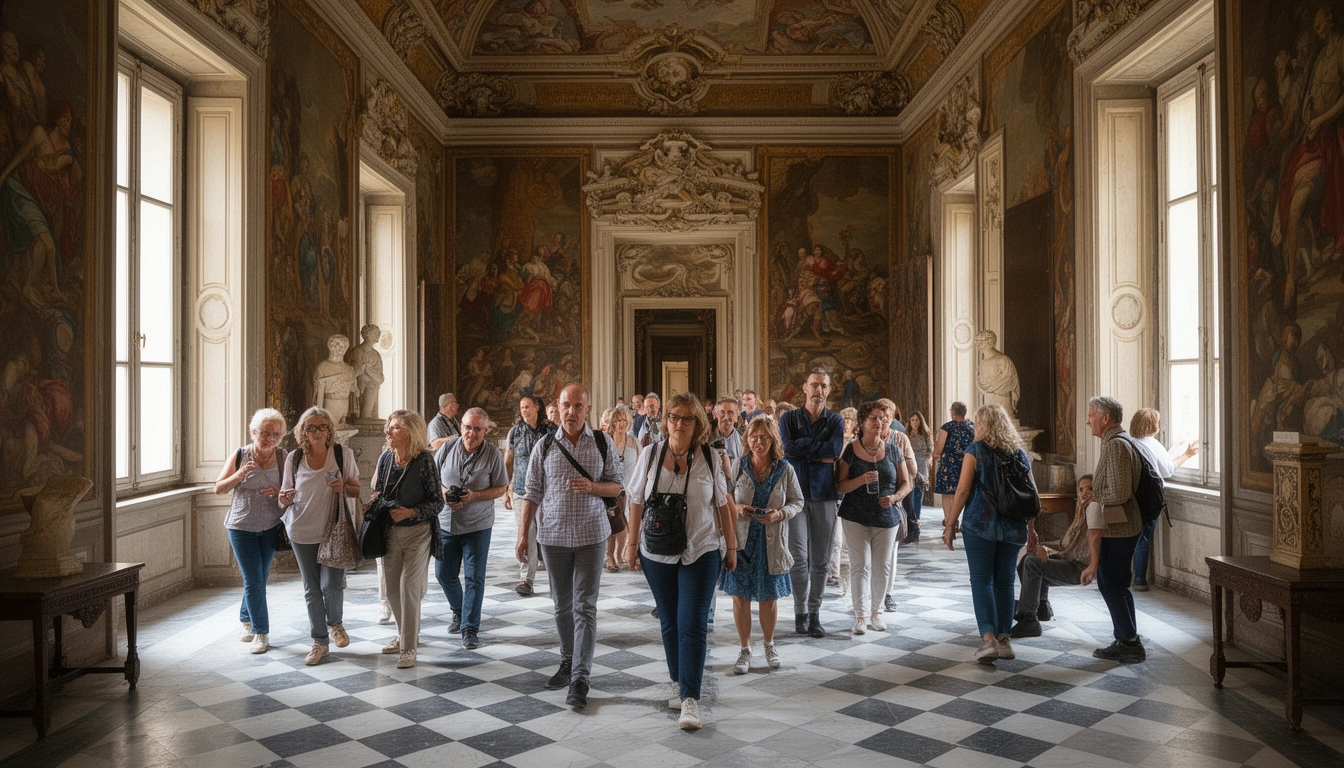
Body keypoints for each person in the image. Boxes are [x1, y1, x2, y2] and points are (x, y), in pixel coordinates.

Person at [624, 392, 736, 731]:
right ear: (665, 420)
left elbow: (722, 505)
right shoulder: (650, 454)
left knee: (692, 623)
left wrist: (731, 548)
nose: (679, 423)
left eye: (687, 418)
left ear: (698, 423)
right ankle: (678, 679)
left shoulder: (712, 457)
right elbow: (636, 501)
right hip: (657, 551)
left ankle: (690, 698)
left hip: (701, 549)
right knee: (670, 621)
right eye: (674, 416)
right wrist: (630, 543)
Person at [517, 384, 623, 709]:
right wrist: (523, 535)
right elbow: (532, 491)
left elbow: (617, 486)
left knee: (585, 607)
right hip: (553, 536)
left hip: (592, 535)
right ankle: (566, 661)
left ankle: (580, 677)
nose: (571, 412)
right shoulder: (545, 445)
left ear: (588, 409)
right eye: (566, 405)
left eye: (578, 406)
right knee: (562, 604)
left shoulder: (602, 443)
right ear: (557, 406)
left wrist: (592, 486)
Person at [943, 404, 1031, 664]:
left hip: (981, 526)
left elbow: (962, 491)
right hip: (1014, 527)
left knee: (981, 580)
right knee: (1005, 581)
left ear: (985, 426)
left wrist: (950, 524)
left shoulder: (975, 451)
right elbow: (1031, 494)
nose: (974, 428)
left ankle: (988, 639)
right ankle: (1005, 640)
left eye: (977, 423)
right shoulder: (1019, 454)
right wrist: (1033, 528)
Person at [279, 407, 361, 666]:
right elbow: (284, 497)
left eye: (322, 427)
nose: (316, 432)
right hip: (301, 529)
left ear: (329, 430)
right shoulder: (294, 458)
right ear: (303, 431)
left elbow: (356, 490)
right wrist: (283, 498)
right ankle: (319, 641)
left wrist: (343, 486)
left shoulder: (342, 454)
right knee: (311, 588)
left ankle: (335, 622)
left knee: (332, 584)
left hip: (333, 529)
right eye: (310, 427)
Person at [721, 416, 803, 675]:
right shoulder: (739, 465)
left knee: (769, 597)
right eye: (754, 437)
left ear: (772, 440)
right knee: (740, 597)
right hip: (743, 540)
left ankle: (769, 644)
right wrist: (738, 508)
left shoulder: (784, 468)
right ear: (747, 440)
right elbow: (727, 495)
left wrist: (779, 514)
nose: (758, 442)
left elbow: (797, 501)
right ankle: (745, 649)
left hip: (771, 541)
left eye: (764, 437)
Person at [371, 410, 442, 668]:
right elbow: (378, 490)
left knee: (408, 588)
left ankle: (409, 649)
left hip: (418, 533)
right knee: (391, 590)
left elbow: (437, 502)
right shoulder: (385, 459)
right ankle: (403, 636)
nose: (388, 432)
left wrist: (411, 511)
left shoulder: (424, 462)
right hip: (390, 532)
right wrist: (375, 501)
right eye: (389, 427)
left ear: (411, 432)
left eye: (395, 428)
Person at [214, 408, 288, 654]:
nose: (270, 439)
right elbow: (218, 488)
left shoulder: (283, 457)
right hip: (241, 526)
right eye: (265, 433)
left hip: (270, 526)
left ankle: (245, 618)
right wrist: (239, 475)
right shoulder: (240, 454)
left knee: (258, 578)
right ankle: (261, 632)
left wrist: (277, 491)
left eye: (276, 435)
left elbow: (293, 491)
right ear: (253, 432)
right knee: (254, 580)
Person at [778, 369, 845, 638]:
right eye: (814, 385)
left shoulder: (835, 421)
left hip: (825, 495)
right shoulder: (790, 419)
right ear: (805, 388)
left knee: (821, 560)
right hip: (795, 497)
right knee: (798, 559)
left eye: (824, 386)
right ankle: (800, 612)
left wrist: (804, 448)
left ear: (829, 390)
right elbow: (787, 450)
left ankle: (815, 613)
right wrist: (816, 451)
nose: (819, 390)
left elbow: (834, 451)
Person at [436, 407, 509, 650]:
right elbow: (433, 479)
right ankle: (459, 609)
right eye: (468, 427)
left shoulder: (492, 454)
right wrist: (446, 493)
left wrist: (474, 496)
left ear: (485, 431)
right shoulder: (446, 449)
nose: (471, 433)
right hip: (446, 522)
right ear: (461, 427)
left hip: (477, 524)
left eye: (477, 429)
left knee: (474, 578)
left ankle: (469, 628)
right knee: (443, 574)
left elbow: (501, 488)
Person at [836, 402, 911, 634]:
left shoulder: (893, 449)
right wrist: (861, 480)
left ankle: (876, 613)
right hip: (855, 515)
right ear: (862, 423)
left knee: (883, 566)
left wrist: (895, 497)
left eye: (882, 417)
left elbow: (907, 483)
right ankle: (859, 616)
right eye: (873, 418)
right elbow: (840, 485)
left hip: (886, 516)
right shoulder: (850, 449)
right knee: (860, 565)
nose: (879, 422)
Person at [1085, 396, 1147, 663]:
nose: (1088, 420)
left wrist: (1096, 499)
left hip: (1120, 528)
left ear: (1105, 418)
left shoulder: (1115, 446)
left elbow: (1121, 492)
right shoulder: (1116, 443)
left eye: (1091, 415)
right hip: (1120, 526)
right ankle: (1127, 637)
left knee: (1110, 582)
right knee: (1118, 583)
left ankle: (1129, 642)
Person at [1010, 475, 1103, 637]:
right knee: (1028, 557)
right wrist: (1041, 546)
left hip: (1079, 568)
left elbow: (1093, 541)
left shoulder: (1095, 509)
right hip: (1070, 560)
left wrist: (1092, 567)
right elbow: (1064, 545)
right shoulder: (1081, 511)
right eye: (1081, 489)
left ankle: (1028, 619)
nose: (1085, 493)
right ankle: (1041, 606)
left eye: (1090, 489)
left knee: (1032, 563)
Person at [1127, 408, 1199, 591]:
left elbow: (1157, 462)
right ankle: (1140, 580)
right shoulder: (1152, 443)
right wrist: (1188, 455)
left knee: (1126, 537)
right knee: (1143, 539)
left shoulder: (1128, 442)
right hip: (1149, 500)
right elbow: (1167, 469)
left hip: (1130, 498)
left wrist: (1175, 446)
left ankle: (1123, 576)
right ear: (1153, 425)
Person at [505, 395, 550, 595]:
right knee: (526, 535)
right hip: (522, 492)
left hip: (547, 492)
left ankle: (558, 578)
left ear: (537, 408)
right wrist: (506, 489)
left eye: (527, 407)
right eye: (522, 407)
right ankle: (526, 579)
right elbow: (508, 461)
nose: (524, 411)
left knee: (549, 534)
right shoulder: (515, 433)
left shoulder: (550, 430)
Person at [605, 405, 640, 573]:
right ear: (612, 422)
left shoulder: (633, 442)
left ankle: (620, 554)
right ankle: (610, 556)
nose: (621, 424)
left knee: (627, 525)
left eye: (624, 421)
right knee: (612, 525)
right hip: (611, 490)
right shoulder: (607, 440)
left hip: (630, 491)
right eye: (618, 420)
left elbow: (641, 466)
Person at [933, 402, 975, 532]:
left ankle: (950, 522)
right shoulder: (971, 427)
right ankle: (959, 520)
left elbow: (938, 449)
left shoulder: (947, 427)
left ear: (952, 412)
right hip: (967, 465)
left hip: (949, 465)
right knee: (964, 492)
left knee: (948, 494)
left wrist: (936, 455)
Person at [902, 411, 934, 544]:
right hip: (909, 463)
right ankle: (910, 524)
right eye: (912, 420)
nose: (915, 422)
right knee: (909, 494)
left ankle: (917, 522)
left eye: (917, 420)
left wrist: (927, 461)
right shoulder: (906, 434)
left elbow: (930, 450)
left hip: (921, 464)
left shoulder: (925, 434)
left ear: (921, 421)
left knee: (918, 494)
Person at [712, 396, 744, 460]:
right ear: (715, 415)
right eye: (722, 412)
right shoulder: (707, 440)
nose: (726, 417)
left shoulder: (744, 440)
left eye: (730, 413)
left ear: (736, 417)